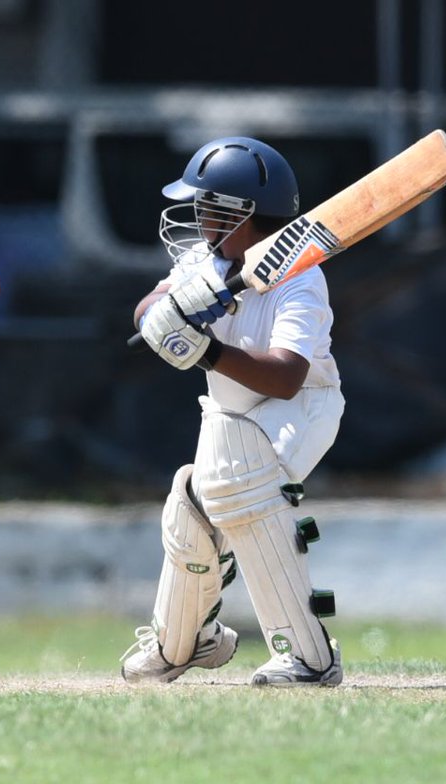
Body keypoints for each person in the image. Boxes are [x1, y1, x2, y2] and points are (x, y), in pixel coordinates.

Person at [119, 136, 344, 686]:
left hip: (301, 409)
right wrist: (170, 310)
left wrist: (208, 351)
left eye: (205, 204)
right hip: (231, 408)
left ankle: (309, 658)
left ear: (239, 212)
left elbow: (287, 376)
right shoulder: (206, 260)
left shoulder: (301, 278)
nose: (195, 215)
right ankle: (185, 644)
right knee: (192, 504)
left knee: (239, 482)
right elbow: (145, 309)